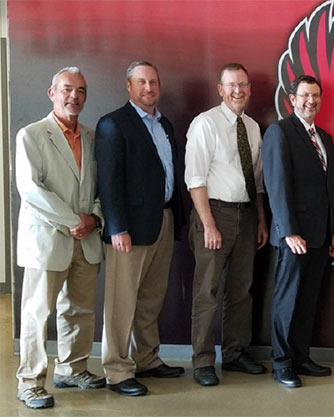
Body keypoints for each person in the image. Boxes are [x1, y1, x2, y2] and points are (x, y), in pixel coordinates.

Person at [14, 67, 106, 409]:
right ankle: (29, 381)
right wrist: (73, 221)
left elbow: (103, 186)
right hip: (49, 240)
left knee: (80, 309)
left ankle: (72, 367)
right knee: (38, 314)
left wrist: (94, 217)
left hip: (86, 238)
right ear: (51, 92)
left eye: (81, 90)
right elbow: (31, 190)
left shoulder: (94, 137)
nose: (74, 96)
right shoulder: (32, 135)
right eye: (67, 89)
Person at [95, 61, 185, 397]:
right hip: (128, 230)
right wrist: (117, 227)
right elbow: (108, 180)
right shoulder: (113, 124)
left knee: (150, 299)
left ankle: (147, 358)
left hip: (162, 220)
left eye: (154, 82)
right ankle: (117, 371)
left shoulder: (165, 125)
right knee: (122, 303)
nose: (149, 88)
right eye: (142, 82)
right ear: (129, 86)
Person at [184, 63, 269, 386]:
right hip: (214, 213)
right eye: (231, 85)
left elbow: (257, 181)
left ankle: (234, 354)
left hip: (246, 215)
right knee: (207, 291)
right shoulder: (205, 123)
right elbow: (195, 178)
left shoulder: (251, 127)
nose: (238, 90)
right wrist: (208, 224)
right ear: (220, 90)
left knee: (241, 290)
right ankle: (203, 361)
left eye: (243, 85)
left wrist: (260, 220)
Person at [262, 75, 334, 388]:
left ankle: (300, 356)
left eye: (316, 96)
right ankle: (282, 363)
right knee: (287, 300)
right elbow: (277, 186)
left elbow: (330, 190)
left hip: (321, 236)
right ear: (292, 98)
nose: (312, 101)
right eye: (305, 95)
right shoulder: (280, 132)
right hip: (294, 237)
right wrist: (287, 232)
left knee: (308, 300)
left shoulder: (323, 136)